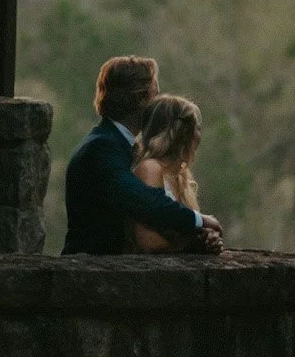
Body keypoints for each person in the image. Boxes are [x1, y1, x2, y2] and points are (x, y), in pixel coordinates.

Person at [62, 55, 222, 255]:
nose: (159, 101)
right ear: (140, 99)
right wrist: (199, 220)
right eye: (156, 93)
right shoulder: (101, 148)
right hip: (88, 270)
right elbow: (146, 202)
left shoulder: (119, 144)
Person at [129, 94, 205, 252]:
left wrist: (206, 237)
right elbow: (149, 241)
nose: (199, 135)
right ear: (181, 133)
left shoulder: (180, 177)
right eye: (197, 128)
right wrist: (193, 242)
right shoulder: (150, 168)